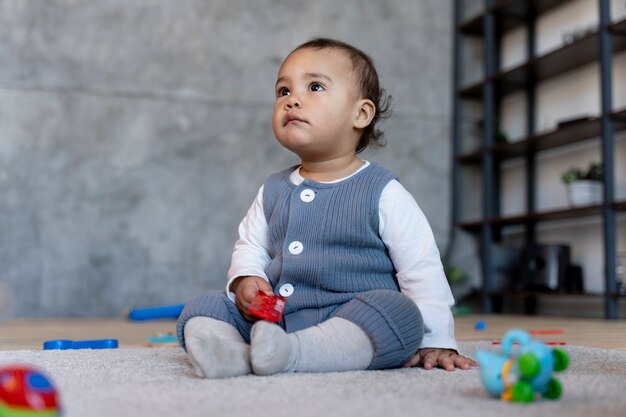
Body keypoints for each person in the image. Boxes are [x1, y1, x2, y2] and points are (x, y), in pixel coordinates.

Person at [176, 37, 476, 378]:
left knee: (400, 313)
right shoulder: (273, 189)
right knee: (207, 305)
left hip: (353, 320)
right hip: (276, 317)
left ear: (360, 113)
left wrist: (438, 338)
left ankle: (298, 354)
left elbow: (421, 268)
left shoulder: (382, 191)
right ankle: (231, 354)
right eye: (283, 92)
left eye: (314, 87)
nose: (293, 101)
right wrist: (247, 277)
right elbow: (251, 245)